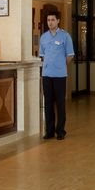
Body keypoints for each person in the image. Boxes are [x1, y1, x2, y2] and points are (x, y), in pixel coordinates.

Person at [38, 11, 74, 140]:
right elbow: (42, 56)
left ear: (58, 21)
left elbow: (70, 55)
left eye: (53, 20)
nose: (50, 22)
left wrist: (61, 65)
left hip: (60, 75)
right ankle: (49, 131)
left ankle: (60, 131)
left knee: (60, 104)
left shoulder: (65, 36)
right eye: (48, 20)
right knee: (48, 103)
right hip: (47, 75)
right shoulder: (43, 37)